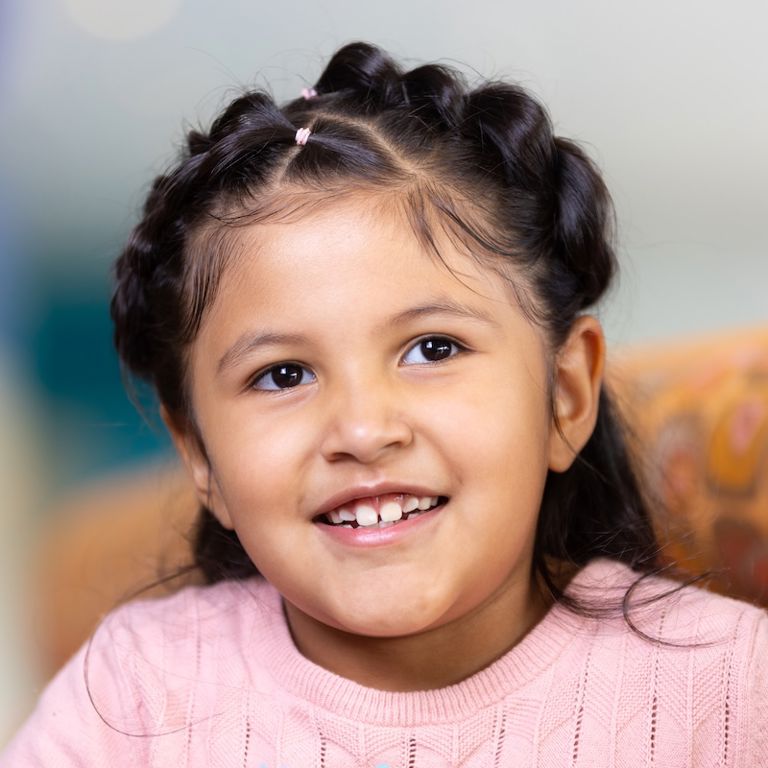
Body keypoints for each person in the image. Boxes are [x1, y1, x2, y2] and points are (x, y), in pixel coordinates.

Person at [2, 41, 766, 767]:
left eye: (432, 349)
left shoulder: (731, 689)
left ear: (565, 396)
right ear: (200, 456)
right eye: (283, 375)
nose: (363, 431)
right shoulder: (137, 692)